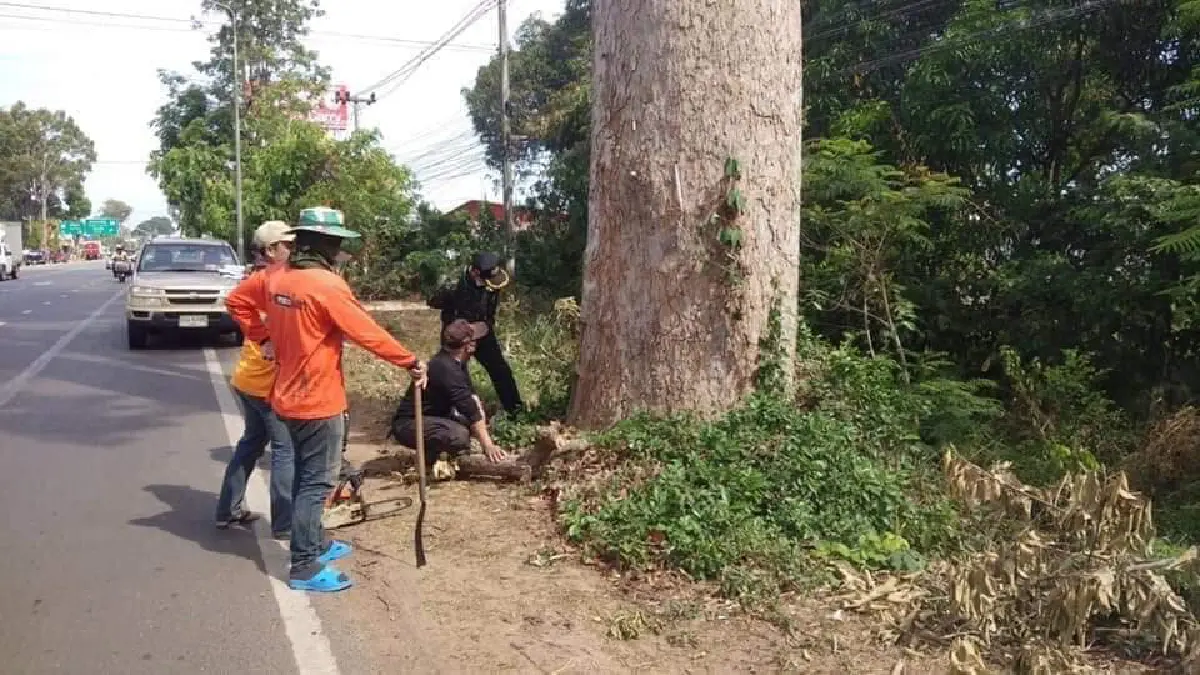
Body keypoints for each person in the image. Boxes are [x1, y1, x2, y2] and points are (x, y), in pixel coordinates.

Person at [225, 206, 426, 594]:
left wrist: (262, 338)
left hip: (284, 397)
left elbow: (237, 302)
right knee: (316, 485)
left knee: (305, 477)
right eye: (336, 244)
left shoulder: (275, 277)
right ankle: (303, 564)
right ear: (325, 245)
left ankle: (316, 543)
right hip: (318, 402)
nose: (339, 251)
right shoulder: (326, 285)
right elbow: (366, 332)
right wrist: (410, 362)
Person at [214, 221, 296, 539]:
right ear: (271, 250)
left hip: (248, 379)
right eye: (288, 245)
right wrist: (266, 339)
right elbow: (234, 302)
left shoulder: (266, 280)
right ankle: (285, 525)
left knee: (251, 444)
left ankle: (227, 510)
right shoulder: (268, 281)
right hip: (265, 384)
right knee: (285, 449)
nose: (293, 250)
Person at [391, 319, 508, 466]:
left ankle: (436, 454)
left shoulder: (455, 362)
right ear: (469, 346)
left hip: (433, 417)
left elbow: (471, 400)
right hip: (409, 424)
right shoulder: (446, 369)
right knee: (459, 435)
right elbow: (471, 411)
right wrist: (488, 446)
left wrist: (480, 417)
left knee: (472, 424)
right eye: (475, 340)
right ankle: (430, 459)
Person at [427, 251, 524, 414]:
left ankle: (516, 411)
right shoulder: (454, 283)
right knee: (454, 374)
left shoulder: (493, 283)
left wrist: (485, 325)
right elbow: (432, 301)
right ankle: (451, 413)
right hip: (457, 335)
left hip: (482, 333)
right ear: (475, 272)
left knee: (500, 370)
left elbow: (490, 310)